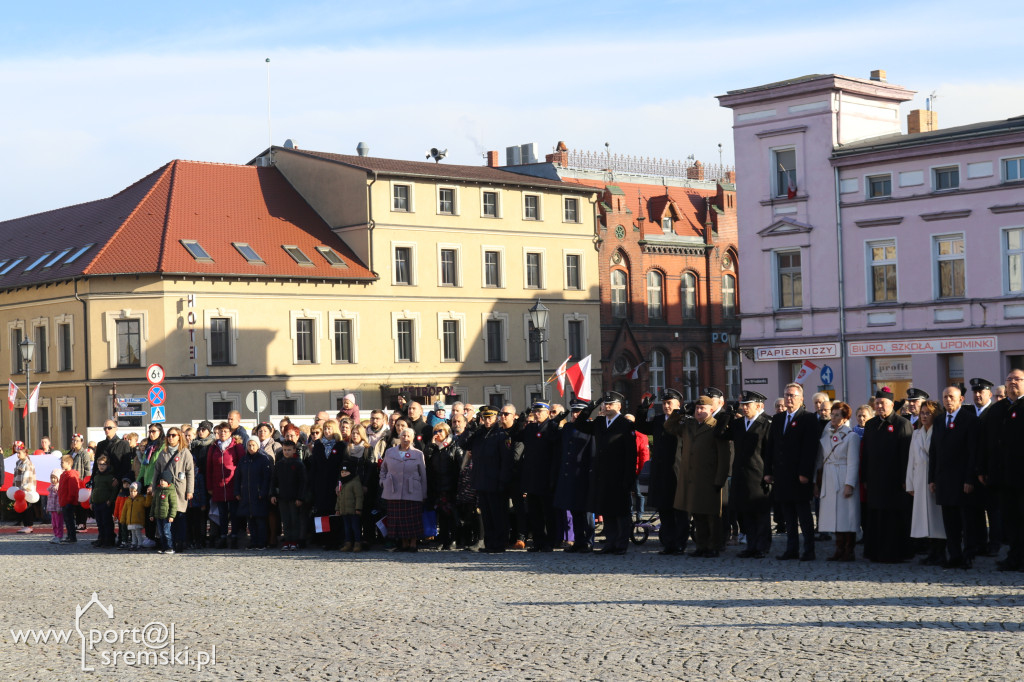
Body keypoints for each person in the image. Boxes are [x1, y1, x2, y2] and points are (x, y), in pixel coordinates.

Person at [665, 396, 733, 557]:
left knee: (712, 515)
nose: (699, 411)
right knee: (697, 514)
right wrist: (679, 413)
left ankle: (714, 546)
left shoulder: (716, 426)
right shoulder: (690, 425)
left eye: (702, 409)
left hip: (710, 478)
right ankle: (701, 546)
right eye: (697, 409)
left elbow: (724, 457)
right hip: (692, 478)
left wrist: (720, 479)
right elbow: (669, 427)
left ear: (711, 410)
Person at [574, 392, 637, 555]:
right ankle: (610, 542)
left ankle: (621, 544)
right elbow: (580, 424)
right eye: (605, 404)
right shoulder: (600, 422)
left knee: (621, 511)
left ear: (619, 406)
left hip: (619, 474)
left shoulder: (625, 424)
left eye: (611, 404)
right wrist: (589, 408)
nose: (607, 406)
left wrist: (629, 478)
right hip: (602, 474)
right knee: (607, 509)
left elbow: (631, 454)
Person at [765, 383, 820, 561]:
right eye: (787, 395)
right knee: (788, 516)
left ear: (801, 399)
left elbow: (809, 449)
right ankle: (791, 549)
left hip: (799, 476)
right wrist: (768, 471)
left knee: (804, 516)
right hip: (782, 475)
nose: (789, 398)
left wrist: (805, 473)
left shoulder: (808, 418)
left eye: (792, 395)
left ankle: (809, 550)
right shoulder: (778, 418)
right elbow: (771, 447)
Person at [861, 387, 914, 563]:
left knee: (893, 518)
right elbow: (866, 453)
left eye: (882, 403)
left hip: (895, 481)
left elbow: (906, 454)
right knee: (876, 517)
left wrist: (905, 480)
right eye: (876, 403)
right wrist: (864, 478)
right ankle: (875, 552)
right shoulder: (870, 424)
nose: (879, 406)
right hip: (875, 480)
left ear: (891, 404)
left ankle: (895, 553)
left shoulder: (902, 424)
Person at [930, 386, 979, 569]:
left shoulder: (970, 420)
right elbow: (934, 451)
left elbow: (972, 452)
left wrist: (969, 479)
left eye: (951, 397)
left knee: (967, 521)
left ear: (961, 399)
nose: (948, 400)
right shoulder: (939, 420)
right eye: (945, 397)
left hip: (962, 480)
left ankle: (968, 555)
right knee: (949, 521)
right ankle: (954, 555)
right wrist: (932, 478)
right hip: (943, 479)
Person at [720, 391, 773, 559]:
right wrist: (727, 414)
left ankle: (762, 546)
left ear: (759, 406)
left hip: (759, 475)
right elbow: (720, 434)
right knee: (746, 513)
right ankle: (751, 546)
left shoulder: (767, 423)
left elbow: (771, 452)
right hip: (741, 475)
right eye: (742, 405)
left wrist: (770, 473)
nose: (744, 408)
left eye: (747, 405)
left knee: (761, 513)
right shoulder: (739, 423)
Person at [634, 388, 687, 555]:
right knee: (664, 510)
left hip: (678, 472)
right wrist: (644, 408)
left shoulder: (684, 421)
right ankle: (668, 543)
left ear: (678, 404)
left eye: (669, 403)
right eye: (664, 403)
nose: (666, 406)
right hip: (661, 473)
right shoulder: (658, 420)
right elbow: (640, 425)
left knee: (679, 511)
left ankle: (680, 543)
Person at [984, 369, 1024, 571]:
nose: (1013, 383)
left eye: (1017, 379)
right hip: (1003, 475)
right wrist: (982, 468)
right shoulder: (997, 409)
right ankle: (1014, 556)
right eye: (1009, 380)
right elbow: (986, 442)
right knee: (1010, 519)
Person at [467, 407, 518, 552]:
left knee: (498, 515)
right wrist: (475, 430)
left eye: (490, 417)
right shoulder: (480, 434)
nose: (487, 420)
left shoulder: (501, 435)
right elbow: (465, 445)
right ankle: (489, 543)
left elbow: (506, 460)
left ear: (496, 418)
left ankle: (499, 544)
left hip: (496, 482)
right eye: (484, 417)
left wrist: (503, 481)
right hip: (482, 480)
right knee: (486, 515)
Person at [513, 401, 561, 552]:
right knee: (534, 513)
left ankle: (550, 541)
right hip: (532, 477)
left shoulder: (552, 427)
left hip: (546, 477)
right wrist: (521, 419)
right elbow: (516, 435)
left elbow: (555, 455)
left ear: (547, 412)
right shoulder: (531, 428)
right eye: (535, 411)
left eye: (540, 411)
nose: (537, 414)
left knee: (548, 512)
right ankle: (538, 541)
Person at [816, 402, 861, 561]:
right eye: (832, 414)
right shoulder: (826, 433)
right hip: (829, 476)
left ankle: (849, 550)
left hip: (843, 477)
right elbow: (821, 458)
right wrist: (817, 480)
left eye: (837, 415)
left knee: (847, 516)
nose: (833, 418)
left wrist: (849, 484)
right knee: (833, 516)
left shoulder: (851, 436)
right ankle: (839, 548)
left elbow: (853, 462)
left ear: (845, 418)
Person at [905, 400, 945, 565]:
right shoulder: (916, 434)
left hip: (934, 479)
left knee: (937, 517)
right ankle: (931, 551)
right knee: (924, 517)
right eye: (922, 413)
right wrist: (910, 483)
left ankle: (940, 551)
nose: (924, 416)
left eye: (928, 413)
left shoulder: (939, 432)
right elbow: (911, 460)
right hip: (920, 479)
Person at [554, 401, 596, 553]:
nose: (575, 415)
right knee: (574, 510)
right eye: (574, 412)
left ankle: (588, 541)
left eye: (579, 412)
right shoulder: (568, 427)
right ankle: (578, 541)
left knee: (586, 512)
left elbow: (592, 453)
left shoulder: (590, 428)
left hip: (583, 476)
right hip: (569, 475)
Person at [968, 377, 1002, 557]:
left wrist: (987, 469)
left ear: (989, 393)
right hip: (972, 470)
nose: (978, 394)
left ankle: (995, 542)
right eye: (975, 392)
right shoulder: (967, 412)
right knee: (975, 509)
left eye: (981, 392)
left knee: (993, 509)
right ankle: (980, 542)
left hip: (989, 470)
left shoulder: (995, 411)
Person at [380, 427, 428, 552]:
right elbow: (383, 469)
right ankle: (403, 543)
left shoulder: (418, 454)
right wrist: (383, 481)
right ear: (399, 437)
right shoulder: (390, 452)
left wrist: (423, 493)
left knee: (412, 519)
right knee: (398, 519)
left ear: (412, 438)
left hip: (413, 490)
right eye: (403, 436)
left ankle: (413, 543)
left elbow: (423, 475)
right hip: (393, 490)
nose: (405, 438)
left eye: (408, 436)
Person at [151, 427, 195, 553]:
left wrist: (190, 490)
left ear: (179, 437)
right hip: (165, 490)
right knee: (166, 517)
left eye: (174, 435)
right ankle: (168, 544)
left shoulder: (185, 452)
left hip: (179, 488)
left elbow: (190, 472)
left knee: (179, 516)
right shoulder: (163, 452)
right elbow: (156, 472)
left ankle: (180, 543)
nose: (171, 437)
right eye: (169, 435)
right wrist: (154, 488)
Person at [306, 418, 346, 550]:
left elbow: (341, 465)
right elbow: (315, 466)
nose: (327, 431)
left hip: (334, 482)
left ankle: (335, 539)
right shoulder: (318, 445)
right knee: (321, 511)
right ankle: (323, 539)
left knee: (334, 511)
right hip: (320, 483)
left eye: (329, 428)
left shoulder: (341, 445)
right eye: (325, 429)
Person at [207, 422, 243, 549]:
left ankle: (234, 537)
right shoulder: (213, 447)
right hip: (218, 486)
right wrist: (210, 486)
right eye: (220, 431)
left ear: (230, 433)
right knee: (222, 514)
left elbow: (241, 466)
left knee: (234, 513)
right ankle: (222, 537)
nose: (223, 434)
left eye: (225, 431)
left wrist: (240, 486)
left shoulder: (236, 446)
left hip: (232, 485)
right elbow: (209, 468)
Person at [426, 422, 462, 550]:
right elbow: (427, 461)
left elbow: (460, 466)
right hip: (437, 485)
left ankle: (453, 539)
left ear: (447, 432)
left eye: (440, 431)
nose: (438, 434)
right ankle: (443, 538)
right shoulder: (433, 447)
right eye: (435, 431)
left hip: (451, 485)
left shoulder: (454, 446)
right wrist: (431, 445)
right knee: (441, 514)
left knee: (451, 514)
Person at [234, 437, 272, 550]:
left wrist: (263, 491)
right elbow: (238, 477)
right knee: (250, 521)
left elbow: (267, 478)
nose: (251, 448)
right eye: (249, 445)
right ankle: (253, 541)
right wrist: (237, 491)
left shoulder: (263, 459)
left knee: (260, 520)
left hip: (259, 494)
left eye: (253, 445)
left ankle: (262, 542)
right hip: (246, 495)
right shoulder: (243, 460)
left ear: (258, 446)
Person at [271, 440, 307, 551]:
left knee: (294, 520)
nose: (286, 452)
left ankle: (294, 541)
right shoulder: (279, 464)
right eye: (285, 450)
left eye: (289, 450)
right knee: (285, 520)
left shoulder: (298, 464)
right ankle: (287, 540)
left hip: (294, 497)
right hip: (282, 497)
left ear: (294, 450)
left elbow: (303, 482)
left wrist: (300, 497)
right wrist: (273, 494)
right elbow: (274, 481)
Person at [89, 454, 120, 548]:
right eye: (100, 464)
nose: (101, 466)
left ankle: (109, 540)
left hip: (105, 503)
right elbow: (94, 489)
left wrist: (110, 500)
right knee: (99, 523)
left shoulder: (110, 477)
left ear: (107, 465)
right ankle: (101, 539)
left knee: (107, 523)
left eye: (103, 464)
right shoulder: (96, 476)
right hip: (96, 502)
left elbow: (114, 490)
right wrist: (91, 501)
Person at [335, 456, 364, 552]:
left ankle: (357, 543)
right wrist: (337, 509)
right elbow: (339, 498)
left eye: (346, 472)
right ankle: (348, 543)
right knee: (347, 529)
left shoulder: (355, 482)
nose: (344, 474)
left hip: (353, 511)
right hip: (344, 511)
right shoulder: (341, 483)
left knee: (355, 528)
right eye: (342, 472)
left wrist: (358, 508)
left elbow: (359, 496)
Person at [150, 470, 178, 554]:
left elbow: (174, 505)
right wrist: (151, 514)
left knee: (167, 532)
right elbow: (153, 504)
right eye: (161, 480)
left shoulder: (171, 491)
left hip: (166, 516)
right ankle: (164, 547)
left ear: (168, 481)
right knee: (161, 533)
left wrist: (172, 516)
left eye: (164, 480)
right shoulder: (158, 490)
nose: (162, 482)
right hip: (158, 515)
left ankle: (170, 547)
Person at [11, 442, 37, 533]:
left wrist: (24, 489)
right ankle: (25, 525)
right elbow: (15, 476)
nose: (18, 455)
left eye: (19, 453)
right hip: (19, 489)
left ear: (25, 453)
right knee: (22, 507)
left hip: (27, 489)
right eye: (17, 452)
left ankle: (29, 526)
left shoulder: (28, 463)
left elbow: (27, 477)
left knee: (27, 508)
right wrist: (14, 487)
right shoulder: (18, 462)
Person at [119, 482, 151, 551]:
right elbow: (124, 511)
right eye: (131, 491)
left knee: (138, 533)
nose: (132, 493)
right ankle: (134, 543)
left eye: (134, 491)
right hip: (130, 521)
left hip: (138, 520)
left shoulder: (141, 499)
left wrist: (148, 495)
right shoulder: (128, 500)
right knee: (133, 533)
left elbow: (147, 504)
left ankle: (140, 544)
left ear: (138, 491)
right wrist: (122, 519)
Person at [57, 455, 82, 544]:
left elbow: (73, 489)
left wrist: (69, 500)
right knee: (67, 520)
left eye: (62, 463)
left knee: (70, 520)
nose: (61, 464)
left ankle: (72, 537)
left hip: (69, 502)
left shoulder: (71, 475)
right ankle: (69, 536)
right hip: (64, 501)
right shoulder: (63, 474)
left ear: (68, 463)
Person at [46, 469, 64, 544]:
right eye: (51, 478)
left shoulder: (58, 487)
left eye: (55, 478)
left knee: (58, 523)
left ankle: (59, 536)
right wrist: (47, 508)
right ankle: (56, 535)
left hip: (57, 509)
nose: (53, 479)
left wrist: (59, 508)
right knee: (53, 523)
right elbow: (49, 499)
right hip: (52, 509)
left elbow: (59, 499)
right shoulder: (51, 487)